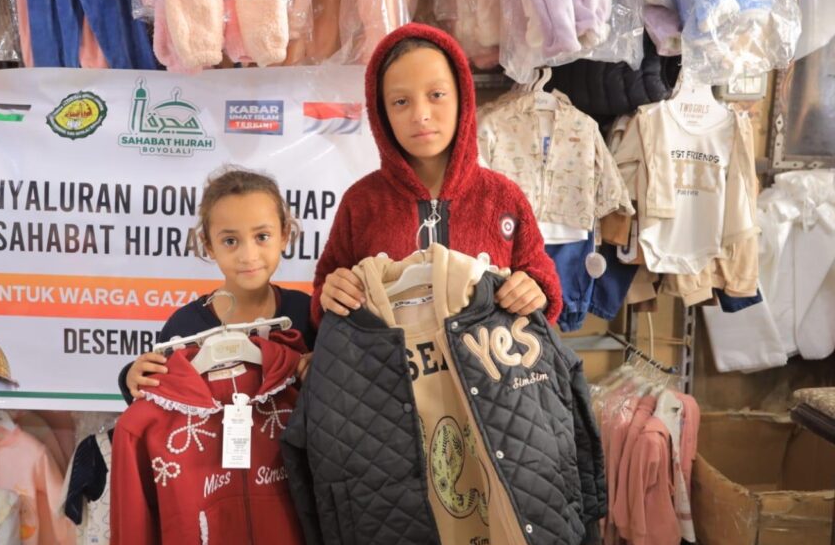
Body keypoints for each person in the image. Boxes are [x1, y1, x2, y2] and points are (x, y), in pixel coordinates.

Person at [315, 22, 563, 323]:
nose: (421, 115)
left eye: (436, 94)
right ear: (381, 112)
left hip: (486, 354)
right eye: (400, 101)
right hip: (389, 355)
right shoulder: (361, 203)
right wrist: (329, 296)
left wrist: (536, 292)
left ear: (462, 98)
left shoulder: (503, 197)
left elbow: (541, 281)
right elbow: (324, 295)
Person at [119, 167, 314, 402]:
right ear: (209, 245)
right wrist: (131, 378)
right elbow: (159, 404)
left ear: (284, 235)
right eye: (230, 241)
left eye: (262, 236)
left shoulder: (308, 313)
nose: (248, 256)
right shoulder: (183, 326)